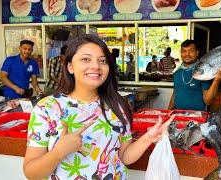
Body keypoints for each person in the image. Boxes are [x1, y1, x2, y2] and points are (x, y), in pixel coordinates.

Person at [23, 34, 172, 179]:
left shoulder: (118, 105)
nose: (95, 66)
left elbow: (124, 157)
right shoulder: (47, 108)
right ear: (70, 67)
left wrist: (148, 138)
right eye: (86, 59)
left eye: (103, 61)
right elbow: (31, 173)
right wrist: (59, 152)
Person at [168, 39, 221, 111]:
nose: (187, 54)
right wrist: (168, 112)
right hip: (179, 116)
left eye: (191, 51)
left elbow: (208, 101)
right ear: (181, 53)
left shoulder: (203, 72)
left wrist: (217, 80)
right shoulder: (177, 73)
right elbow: (175, 94)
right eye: (184, 51)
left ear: (197, 53)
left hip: (198, 118)